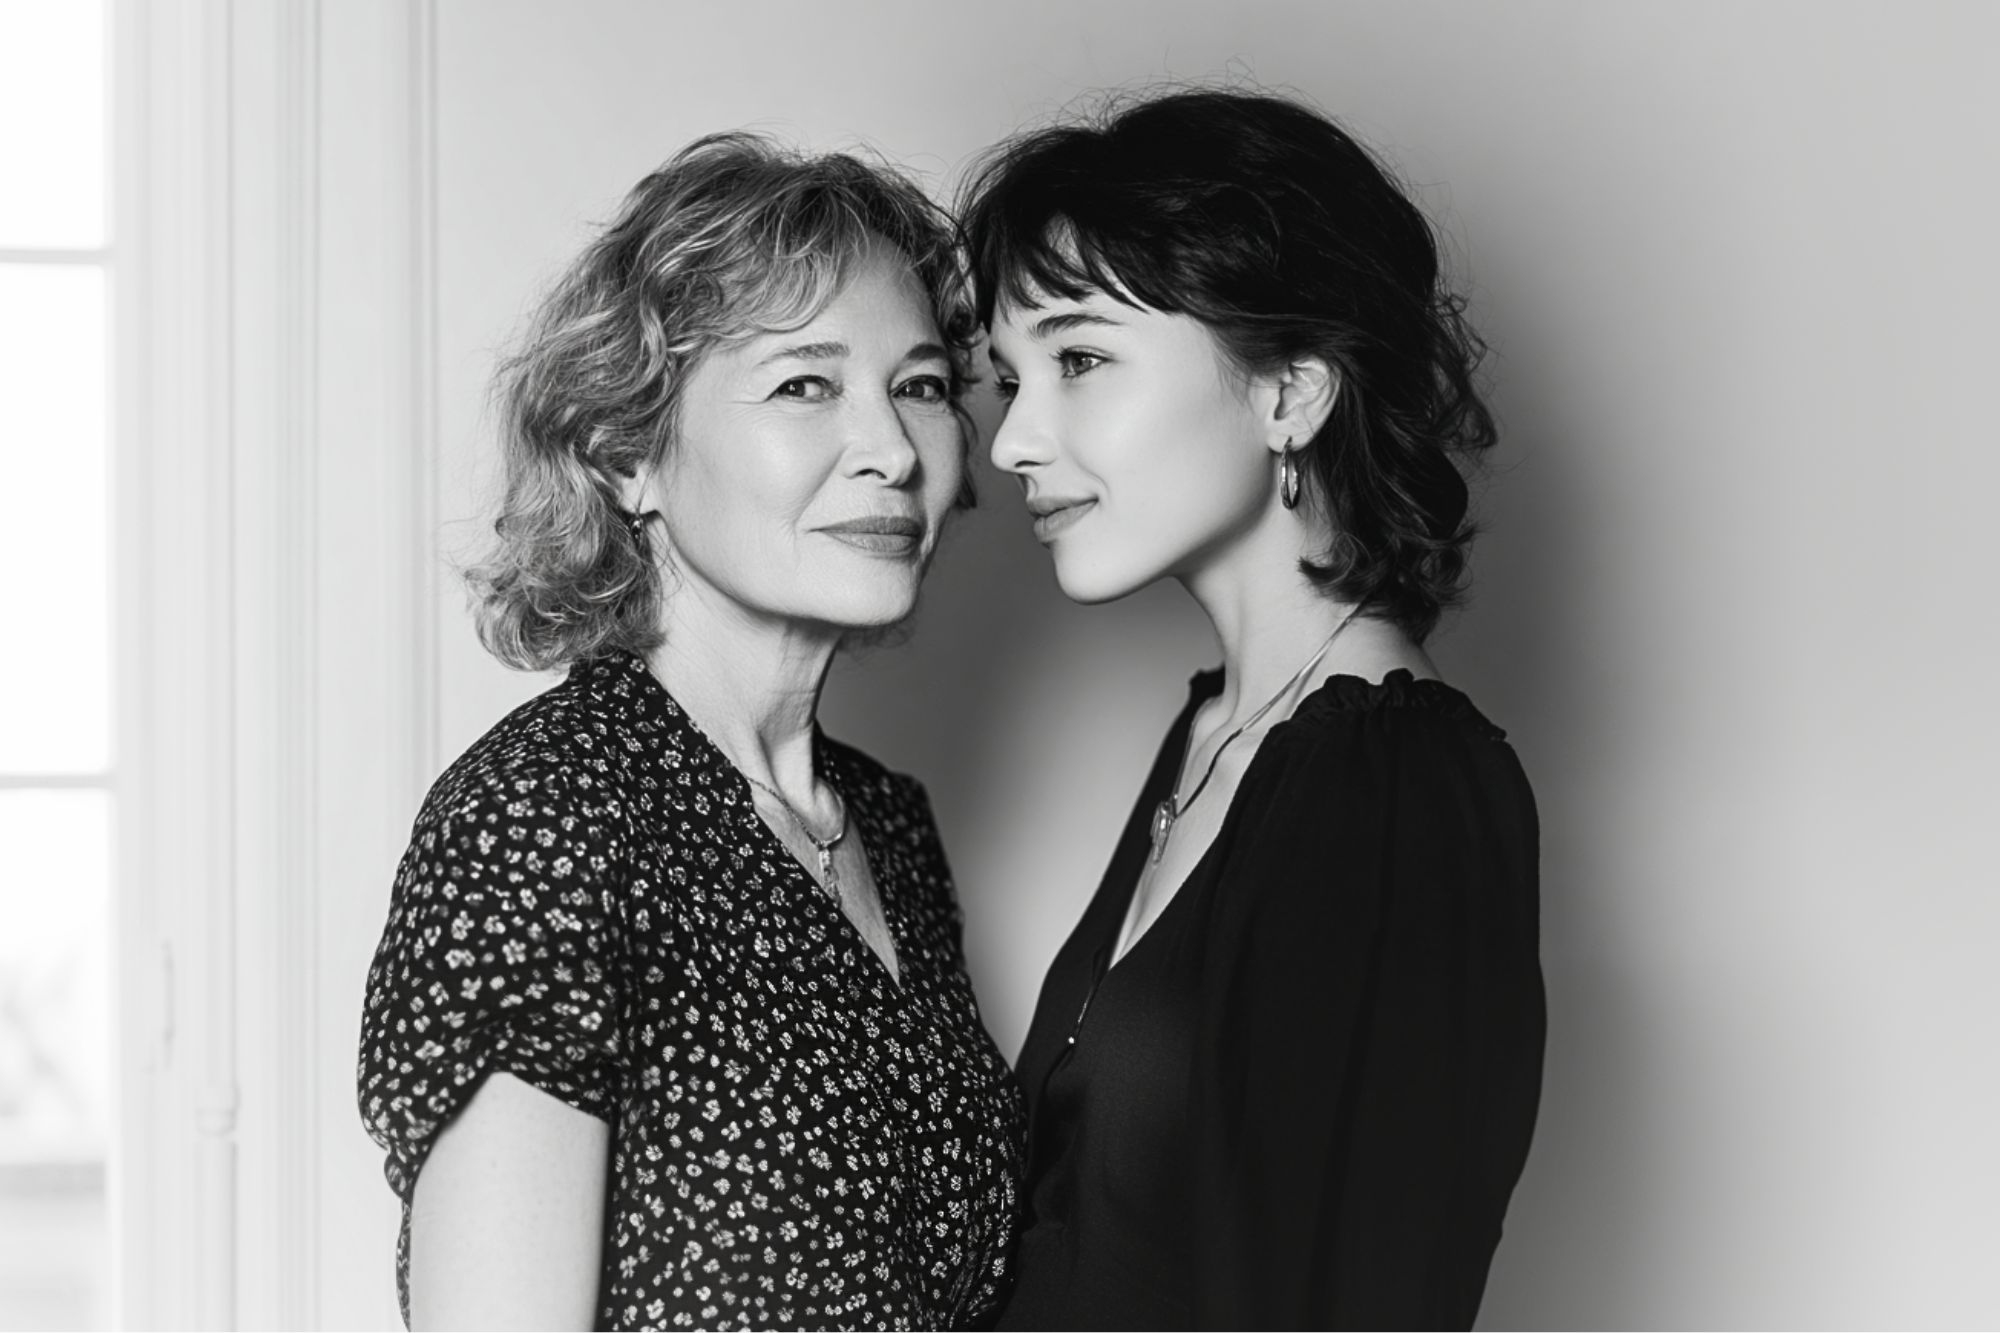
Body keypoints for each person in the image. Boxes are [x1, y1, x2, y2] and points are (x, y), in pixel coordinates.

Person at [357, 133, 1023, 1331]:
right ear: (626, 454)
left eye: (918, 386)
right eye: (804, 383)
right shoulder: (547, 821)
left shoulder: (888, 825)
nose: (889, 451)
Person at [959, 89, 1545, 1330]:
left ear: (1288, 391)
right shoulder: (1214, 730)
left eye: (1077, 360)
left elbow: (1367, 1287)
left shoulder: (1395, 785)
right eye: (1008, 379)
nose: (1011, 438)